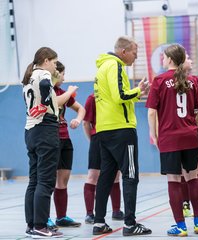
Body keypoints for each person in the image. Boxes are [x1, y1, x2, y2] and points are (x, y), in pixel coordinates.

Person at [92, 36, 152, 236]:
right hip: (122, 129)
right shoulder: (115, 66)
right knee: (130, 175)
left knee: (106, 177)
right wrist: (139, 91)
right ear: (123, 51)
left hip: (104, 130)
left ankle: (98, 221)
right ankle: (130, 224)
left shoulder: (101, 68)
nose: (136, 57)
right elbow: (120, 96)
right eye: (135, 52)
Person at [146, 44, 198, 237]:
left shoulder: (159, 80)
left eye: (163, 57)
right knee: (192, 177)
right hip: (190, 137)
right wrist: (192, 128)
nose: (162, 60)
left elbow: (151, 112)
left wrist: (154, 135)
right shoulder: (193, 80)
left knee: (174, 180)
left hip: (169, 138)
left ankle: (180, 226)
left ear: (170, 60)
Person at [22, 47, 73, 238]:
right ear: (45, 60)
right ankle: (41, 226)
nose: (54, 66)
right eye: (53, 62)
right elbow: (45, 85)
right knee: (45, 181)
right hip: (46, 129)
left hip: (31, 131)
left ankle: (32, 224)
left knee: (34, 180)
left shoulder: (27, 78)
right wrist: (45, 102)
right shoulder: (42, 73)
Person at [48, 61, 85, 228]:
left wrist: (77, 119)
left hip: (65, 139)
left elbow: (81, 109)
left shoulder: (64, 92)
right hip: (51, 139)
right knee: (47, 181)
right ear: (55, 74)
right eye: (63, 74)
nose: (64, 77)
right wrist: (70, 92)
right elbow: (56, 101)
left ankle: (61, 217)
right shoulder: (47, 91)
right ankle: (44, 217)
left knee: (63, 181)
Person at [82, 93, 124, 224]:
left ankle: (116, 210)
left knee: (116, 175)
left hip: (112, 138)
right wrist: (92, 140)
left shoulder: (114, 96)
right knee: (93, 176)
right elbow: (85, 123)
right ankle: (89, 213)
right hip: (100, 137)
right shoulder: (92, 98)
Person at [180, 54, 198, 218]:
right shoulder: (170, 82)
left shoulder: (195, 80)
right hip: (183, 129)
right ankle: (185, 204)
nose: (191, 59)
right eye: (187, 57)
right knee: (183, 169)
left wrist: (195, 125)